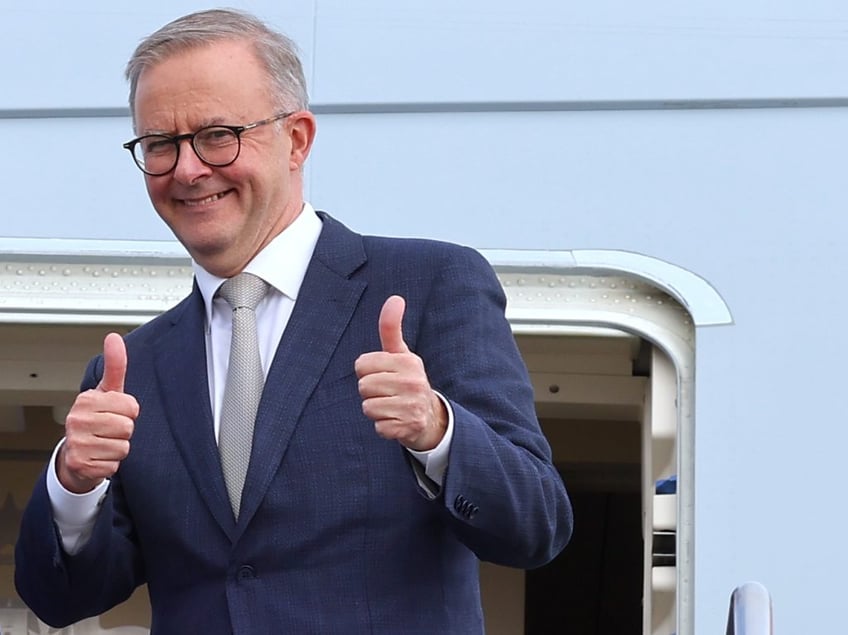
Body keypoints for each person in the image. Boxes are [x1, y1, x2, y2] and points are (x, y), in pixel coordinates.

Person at [15, 8, 572, 634]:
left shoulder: (431, 286)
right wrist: (72, 484)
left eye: (218, 134)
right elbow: (60, 599)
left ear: (298, 139)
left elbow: (537, 526)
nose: (188, 169)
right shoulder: (132, 367)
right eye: (160, 145)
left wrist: (438, 432)